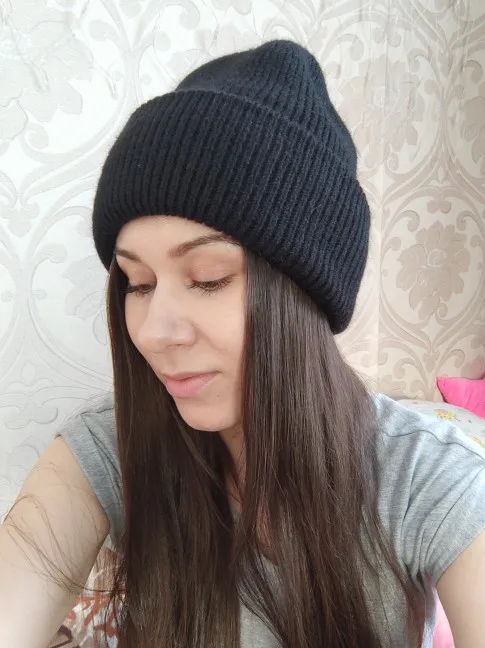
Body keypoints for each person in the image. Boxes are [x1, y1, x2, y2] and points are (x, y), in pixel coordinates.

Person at [0, 39, 484, 648]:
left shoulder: (429, 477)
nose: (153, 332)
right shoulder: (108, 449)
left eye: (209, 279)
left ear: (301, 298)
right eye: (138, 283)